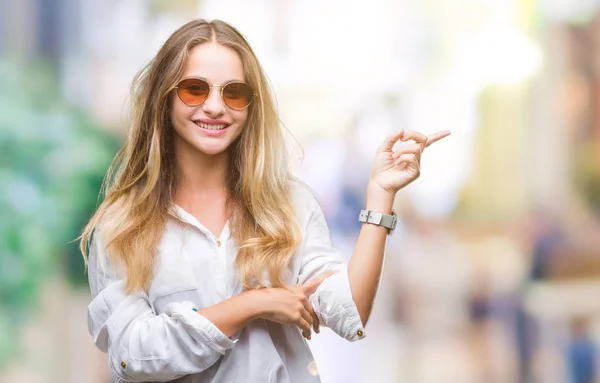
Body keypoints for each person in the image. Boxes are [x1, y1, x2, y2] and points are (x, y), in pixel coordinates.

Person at [80, 19, 450, 383]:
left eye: (233, 92)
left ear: (250, 105)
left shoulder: (290, 203)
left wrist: (381, 195)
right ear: (164, 97)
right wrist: (254, 303)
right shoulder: (123, 224)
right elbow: (134, 355)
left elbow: (349, 311)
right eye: (194, 89)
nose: (214, 106)